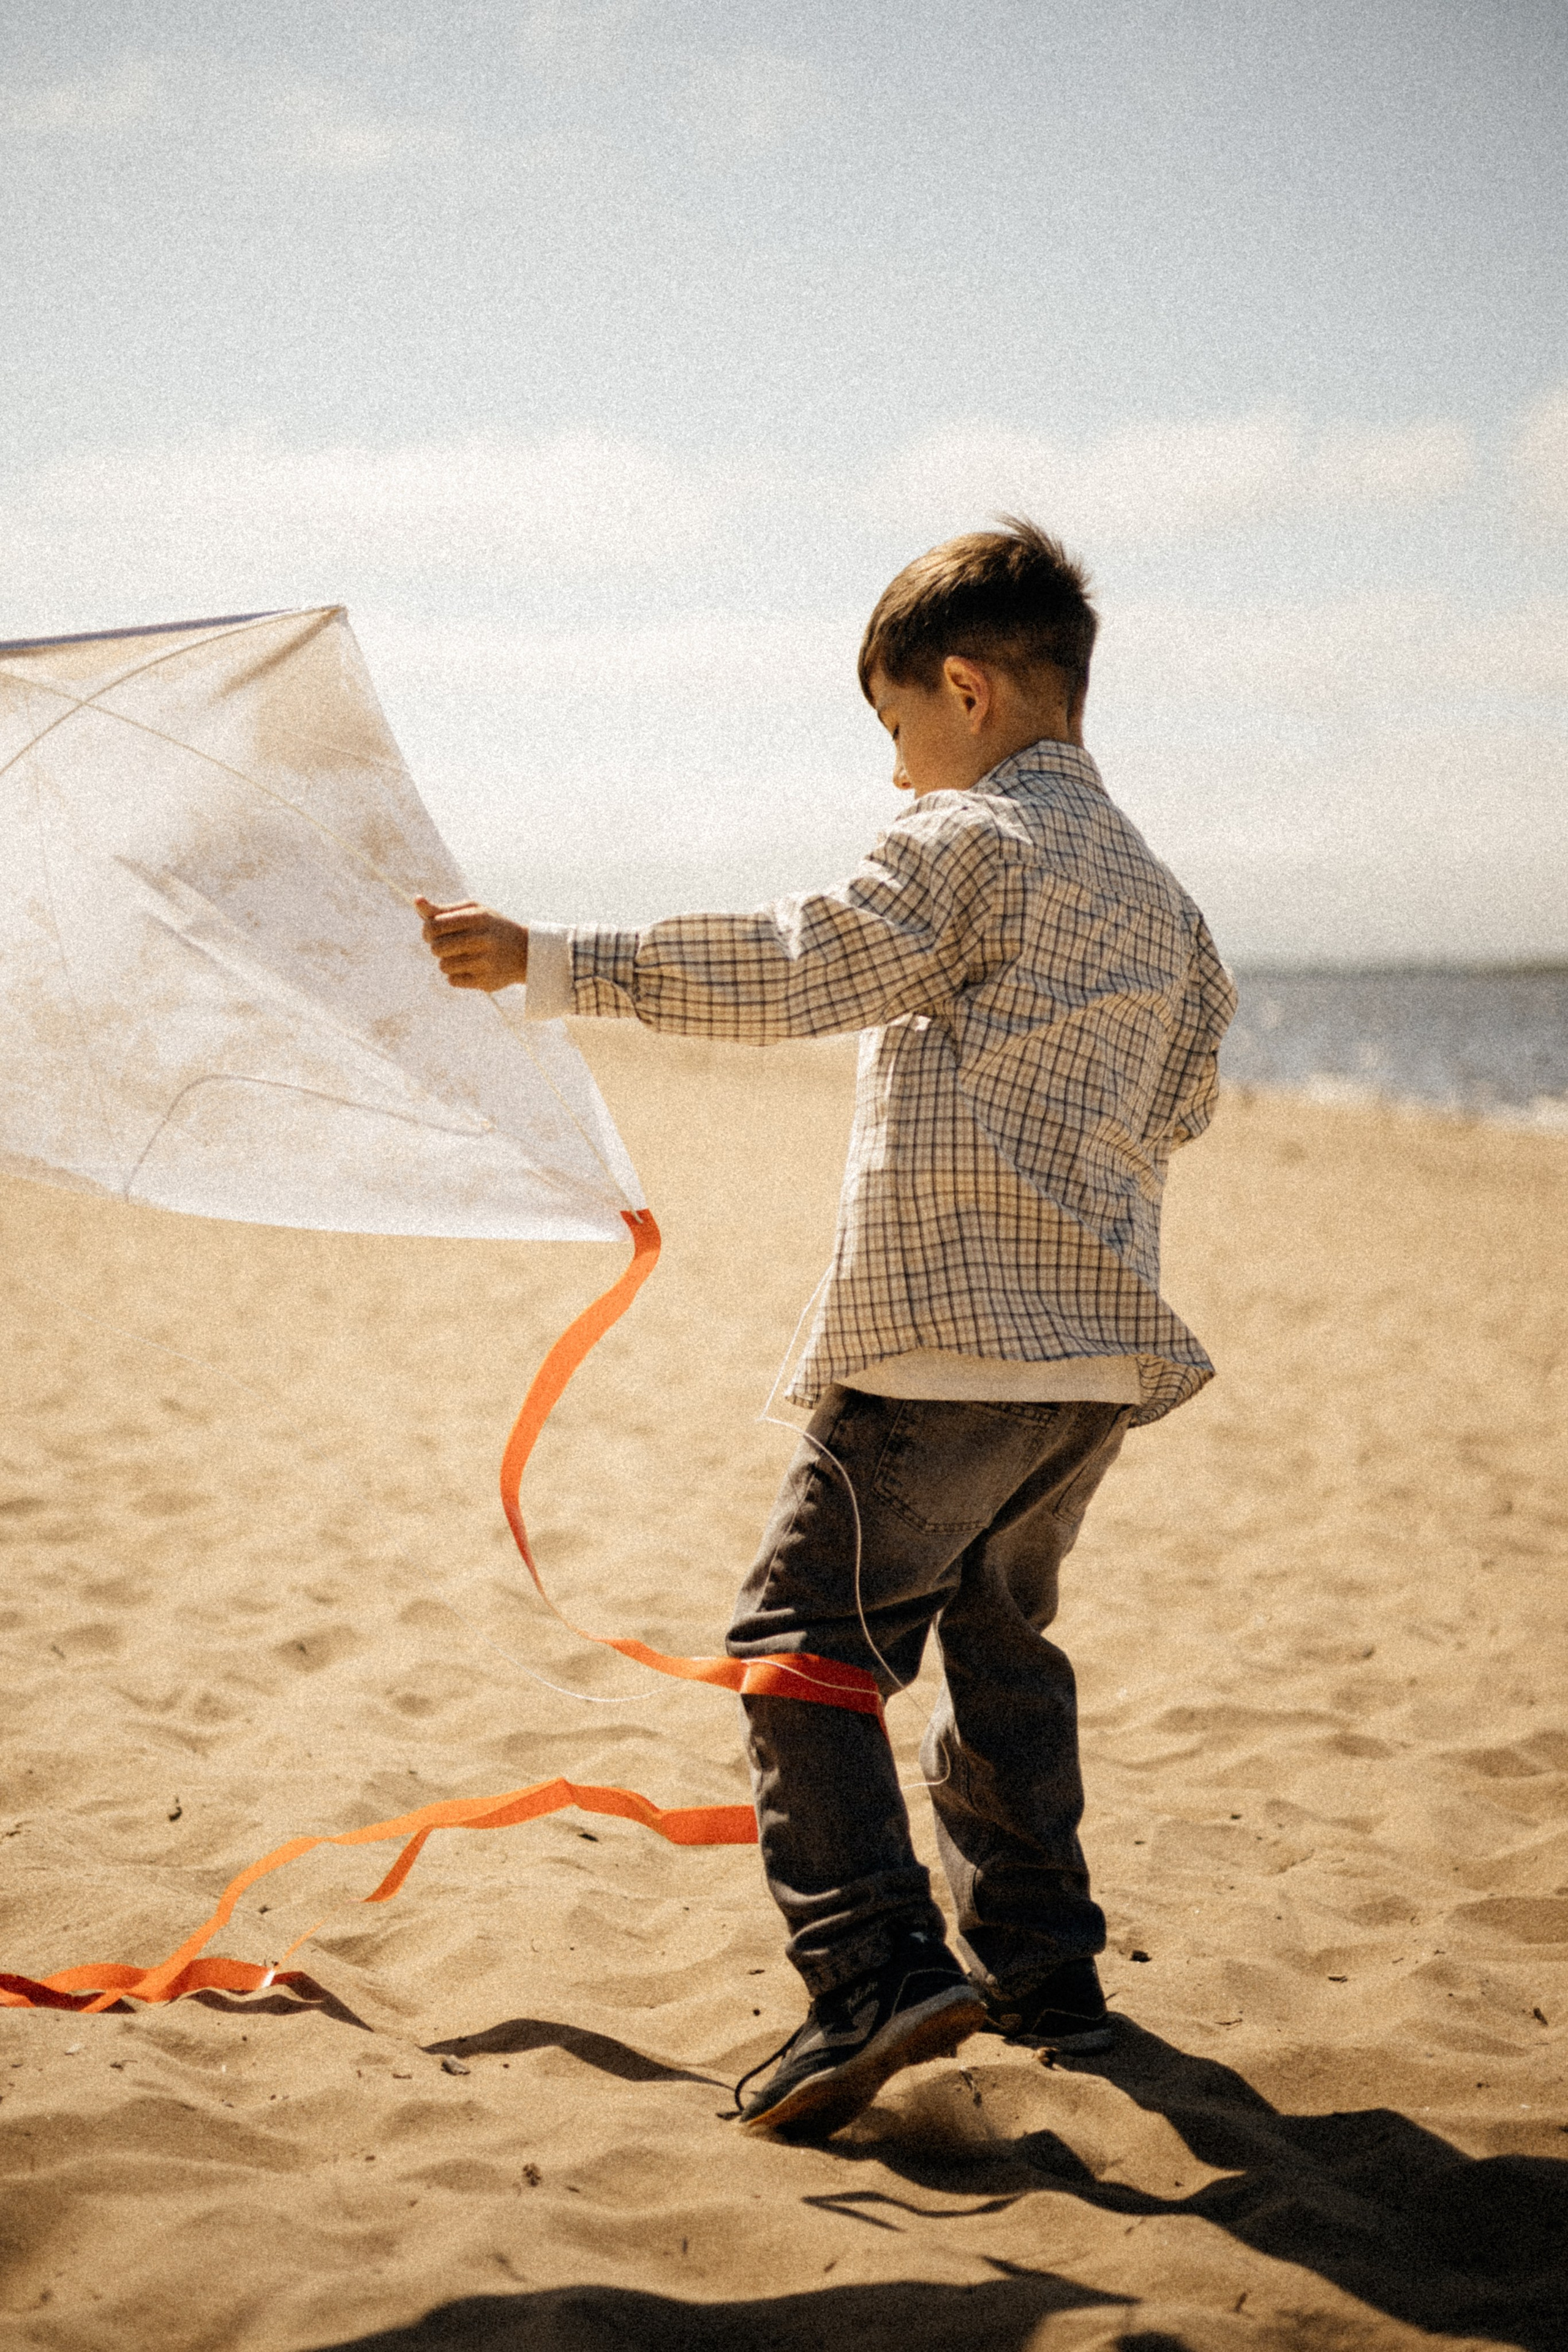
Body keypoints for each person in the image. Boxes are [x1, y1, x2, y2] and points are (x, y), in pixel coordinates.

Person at [417, 519, 1235, 2141]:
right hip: (1088, 1369)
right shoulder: (1167, 901)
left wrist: (559, 960)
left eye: (896, 734)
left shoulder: (968, 845)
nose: (895, 780)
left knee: (802, 1647)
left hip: (940, 1351)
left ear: (966, 687)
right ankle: (1043, 1975)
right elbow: (1187, 1101)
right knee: (1002, 1657)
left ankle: (870, 1971)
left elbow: (805, 964)